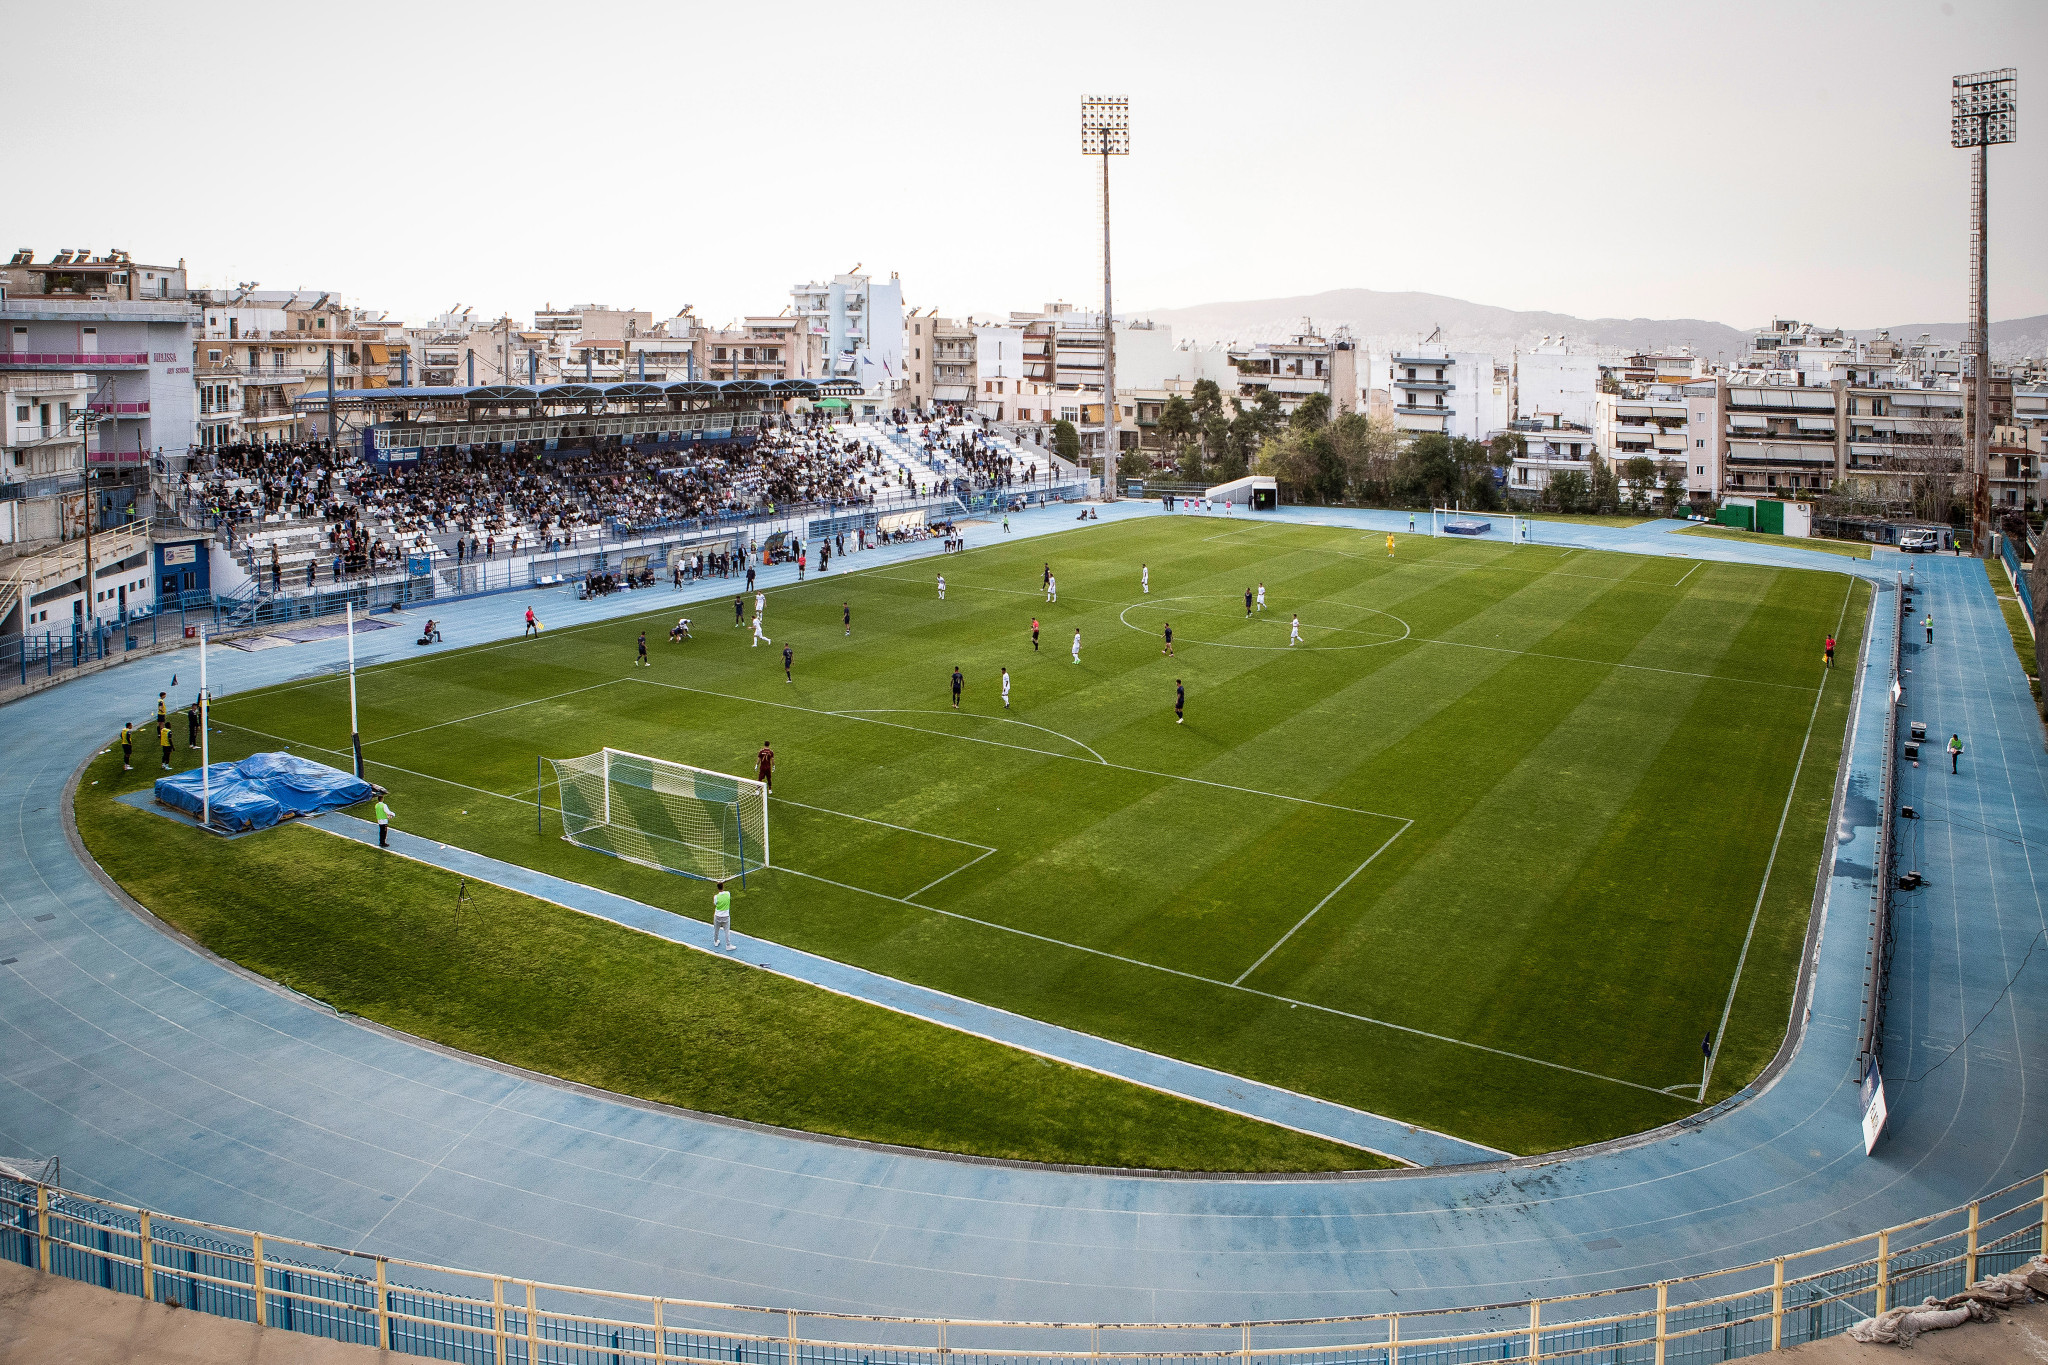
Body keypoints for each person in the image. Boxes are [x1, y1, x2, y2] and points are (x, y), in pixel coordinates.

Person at [712, 880, 733, 951]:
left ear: (717, 888)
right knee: (727, 931)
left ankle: (715, 941)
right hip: (726, 916)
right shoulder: (728, 894)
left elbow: (715, 904)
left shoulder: (716, 897)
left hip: (717, 916)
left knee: (716, 929)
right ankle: (728, 945)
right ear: (723, 887)